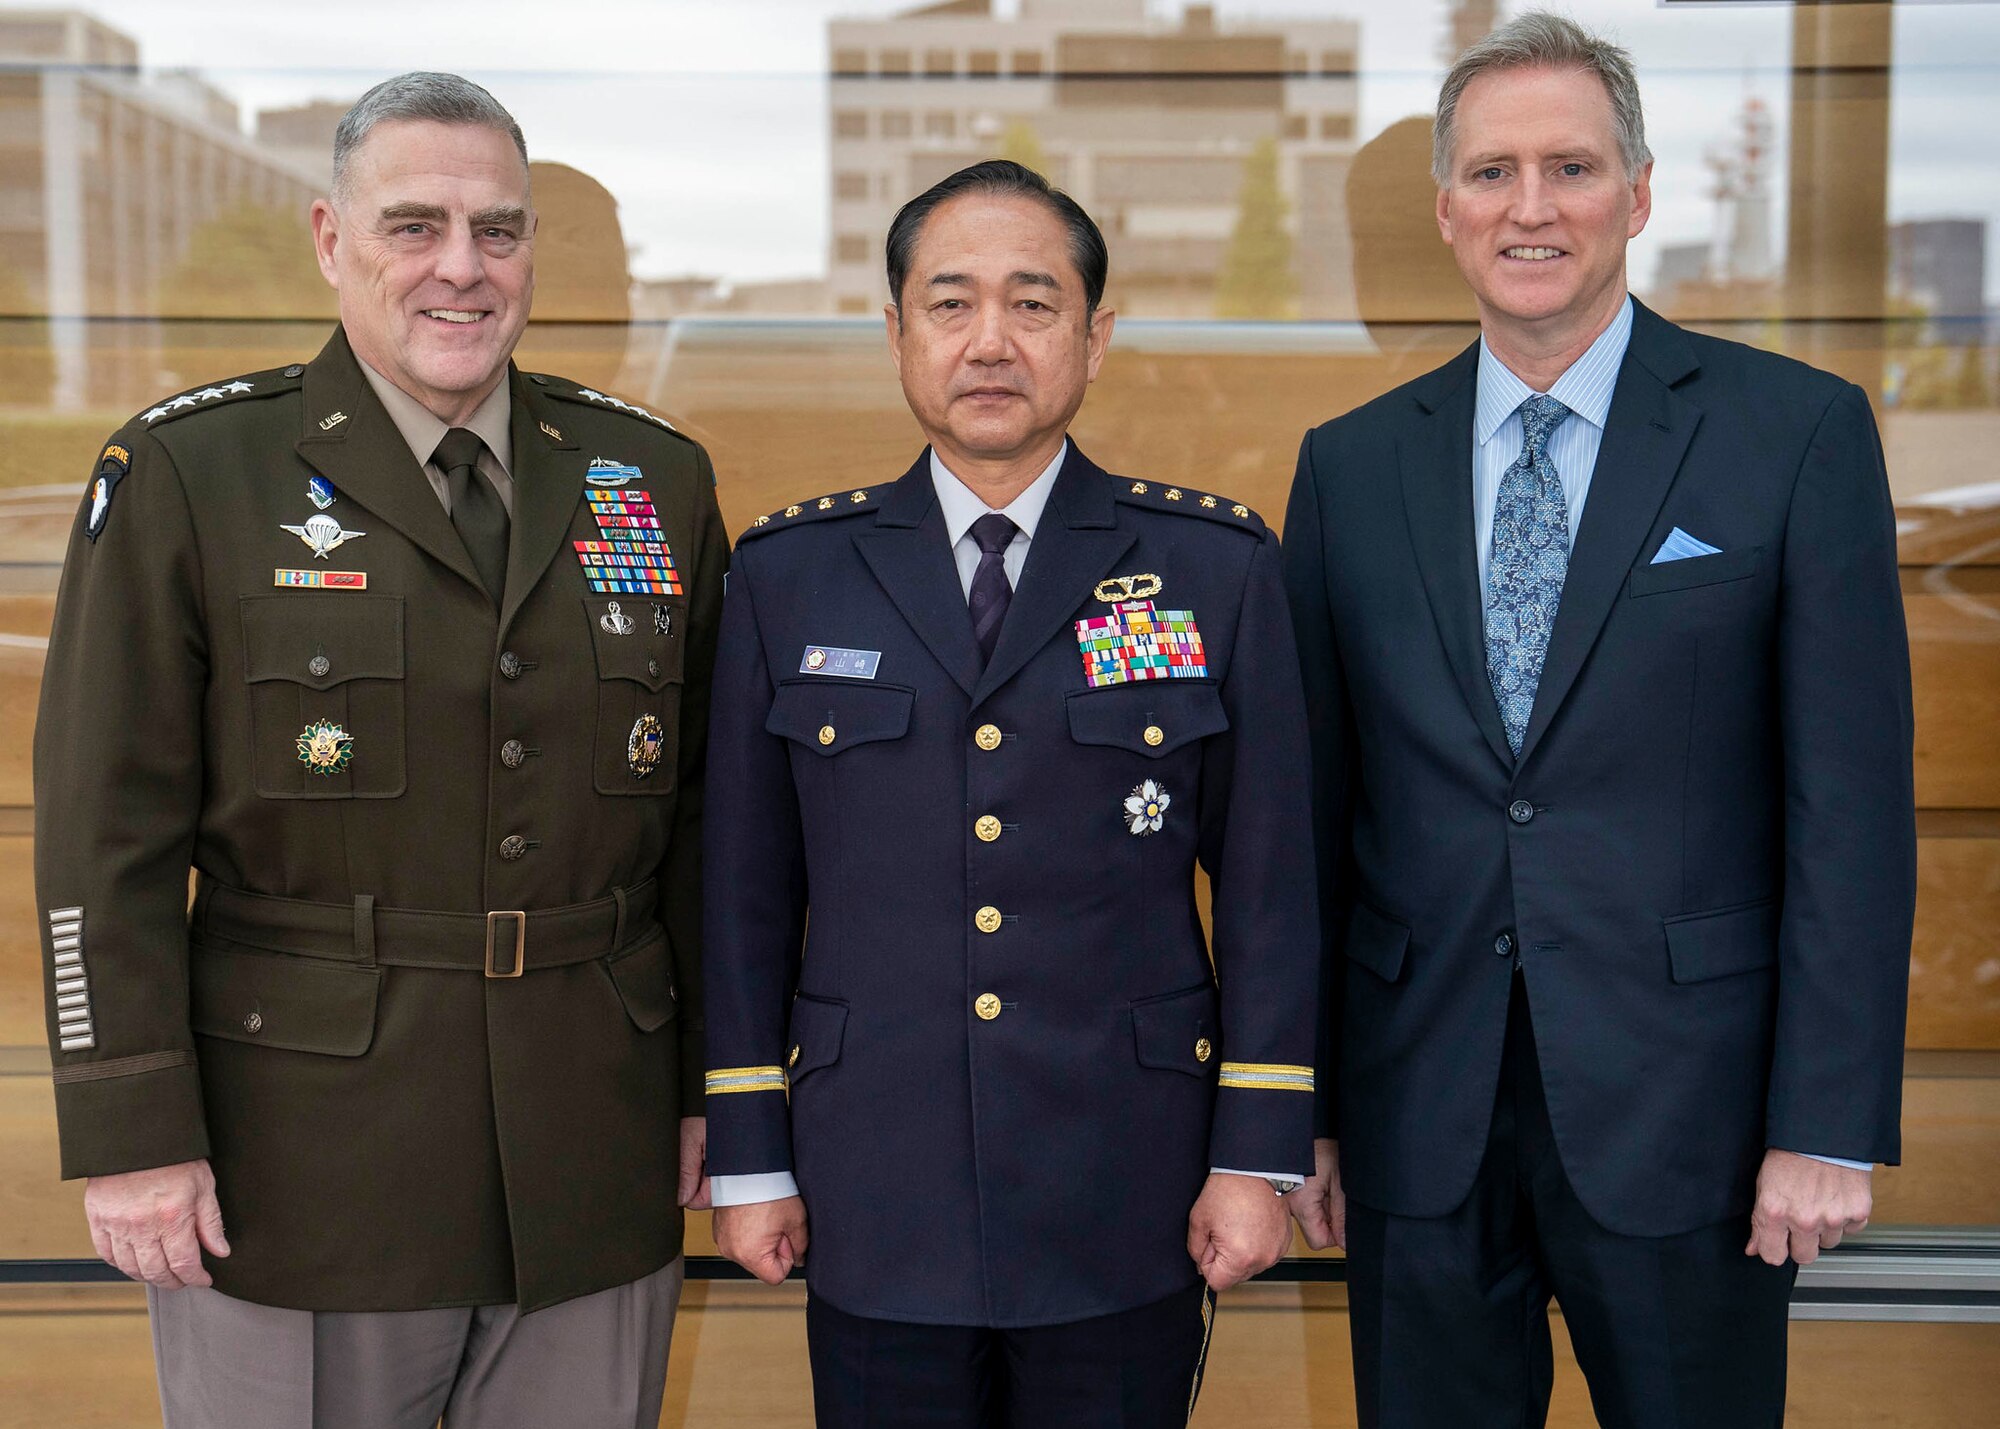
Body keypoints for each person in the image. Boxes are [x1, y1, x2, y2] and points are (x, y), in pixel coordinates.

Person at [34, 72, 723, 1428]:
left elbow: (703, 825)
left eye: (499, 231)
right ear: (330, 239)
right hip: (299, 1166)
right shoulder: (195, 475)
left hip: (588, 1145)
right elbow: (99, 834)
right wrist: (131, 1132)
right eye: (414, 225)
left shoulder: (651, 478)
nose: (461, 269)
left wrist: (712, 1087)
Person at [1281, 13, 1915, 1426]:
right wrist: (1300, 1109)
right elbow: (1314, 823)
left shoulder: (1794, 433)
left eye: (1570, 166)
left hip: (1691, 1121)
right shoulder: (1350, 469)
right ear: (1446, 212)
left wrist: (1824, 1122)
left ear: (1638, 193)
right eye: (1495, 172)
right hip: (1416, 1114)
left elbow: (1850, 811)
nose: (1532, 207)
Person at [701, 160, 1318, 1428]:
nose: (990, 341)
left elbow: (1271, 886)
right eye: (949, 304)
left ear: (1095, 336)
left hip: (1123, 1181)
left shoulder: (1209, 568)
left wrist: (1253, 1153)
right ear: (894, 333)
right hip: (874, 1181)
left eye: (1033, 304)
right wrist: (750, 1154)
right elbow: (741, 896)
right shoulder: (789, 575)